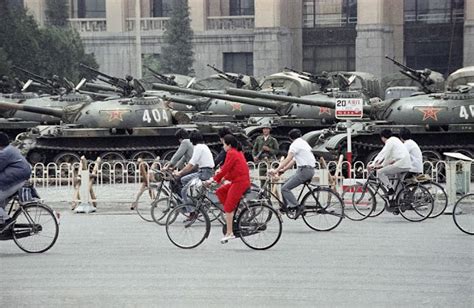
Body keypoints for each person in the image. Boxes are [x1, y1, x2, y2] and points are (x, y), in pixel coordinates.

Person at [204, 134, 250, 243]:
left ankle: (230, 232)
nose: (223, 146)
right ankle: (230, 214)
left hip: (240, 183)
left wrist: (213, 179)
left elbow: (225, 169)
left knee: (228, 207)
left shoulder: (231, 153)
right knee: (220, 191)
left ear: (229, 145)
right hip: (240, 180)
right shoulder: (237, 151)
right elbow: (232, 170)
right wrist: (219, 179)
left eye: (224, 144)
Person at [269, 129, 315, 216]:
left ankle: (297, 207)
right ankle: (285, 207)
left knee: (284, 188)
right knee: (284, 185)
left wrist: (276, 170)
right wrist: (284, 170)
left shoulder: (294, 145)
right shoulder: (303, 143)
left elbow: (288, 159)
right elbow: (293, 160)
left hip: (304, 171)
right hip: (307, 170)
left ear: (290, 138)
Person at [0, 132, 32, 231]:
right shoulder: (10, 149)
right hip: (19, 177)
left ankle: (7, 221)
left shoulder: (5, 153)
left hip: (15, 179)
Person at [174, 131, 214, 204]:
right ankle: (194, 201)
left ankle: (191, 210)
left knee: (183, 191)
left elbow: (191, 164)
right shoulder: (204, 146)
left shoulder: (198, 148)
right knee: (183, 180)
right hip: (204, 171)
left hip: (204, 173)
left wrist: (180, 173)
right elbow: (194, 164)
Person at [369, 129, 411, 195]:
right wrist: (375, 163)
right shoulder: (395, 139)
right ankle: (398, 200)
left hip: (401, 164)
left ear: (382, 137)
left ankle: (390, 189)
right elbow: (383, 154)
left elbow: (385, 154)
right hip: (405, 164)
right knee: (397, 184)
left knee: (380, 172)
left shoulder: (389, 141)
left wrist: (379, 165)